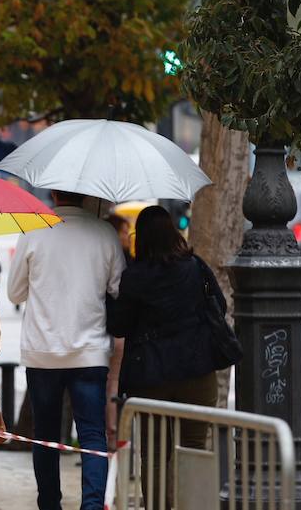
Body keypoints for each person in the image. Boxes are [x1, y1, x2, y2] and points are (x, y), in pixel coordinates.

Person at [7, 190, 125, 510]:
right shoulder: (105, 233)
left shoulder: (34, 230)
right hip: (90, 353)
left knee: (45, 435)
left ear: (53, 193)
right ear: (87, 196)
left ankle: (50, 504)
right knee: (92, 436)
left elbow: (15, 292)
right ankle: (91, 505)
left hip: (42, 352)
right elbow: (119, 288)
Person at [106, 205, 220, 509]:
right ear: (173, 233)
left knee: (154, 455)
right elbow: (218, 305)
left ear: (140, 238)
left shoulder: (135, 277)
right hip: (197, 373)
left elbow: (118, 326)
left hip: (152, 378)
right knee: (194, 448)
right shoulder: (195, 267)